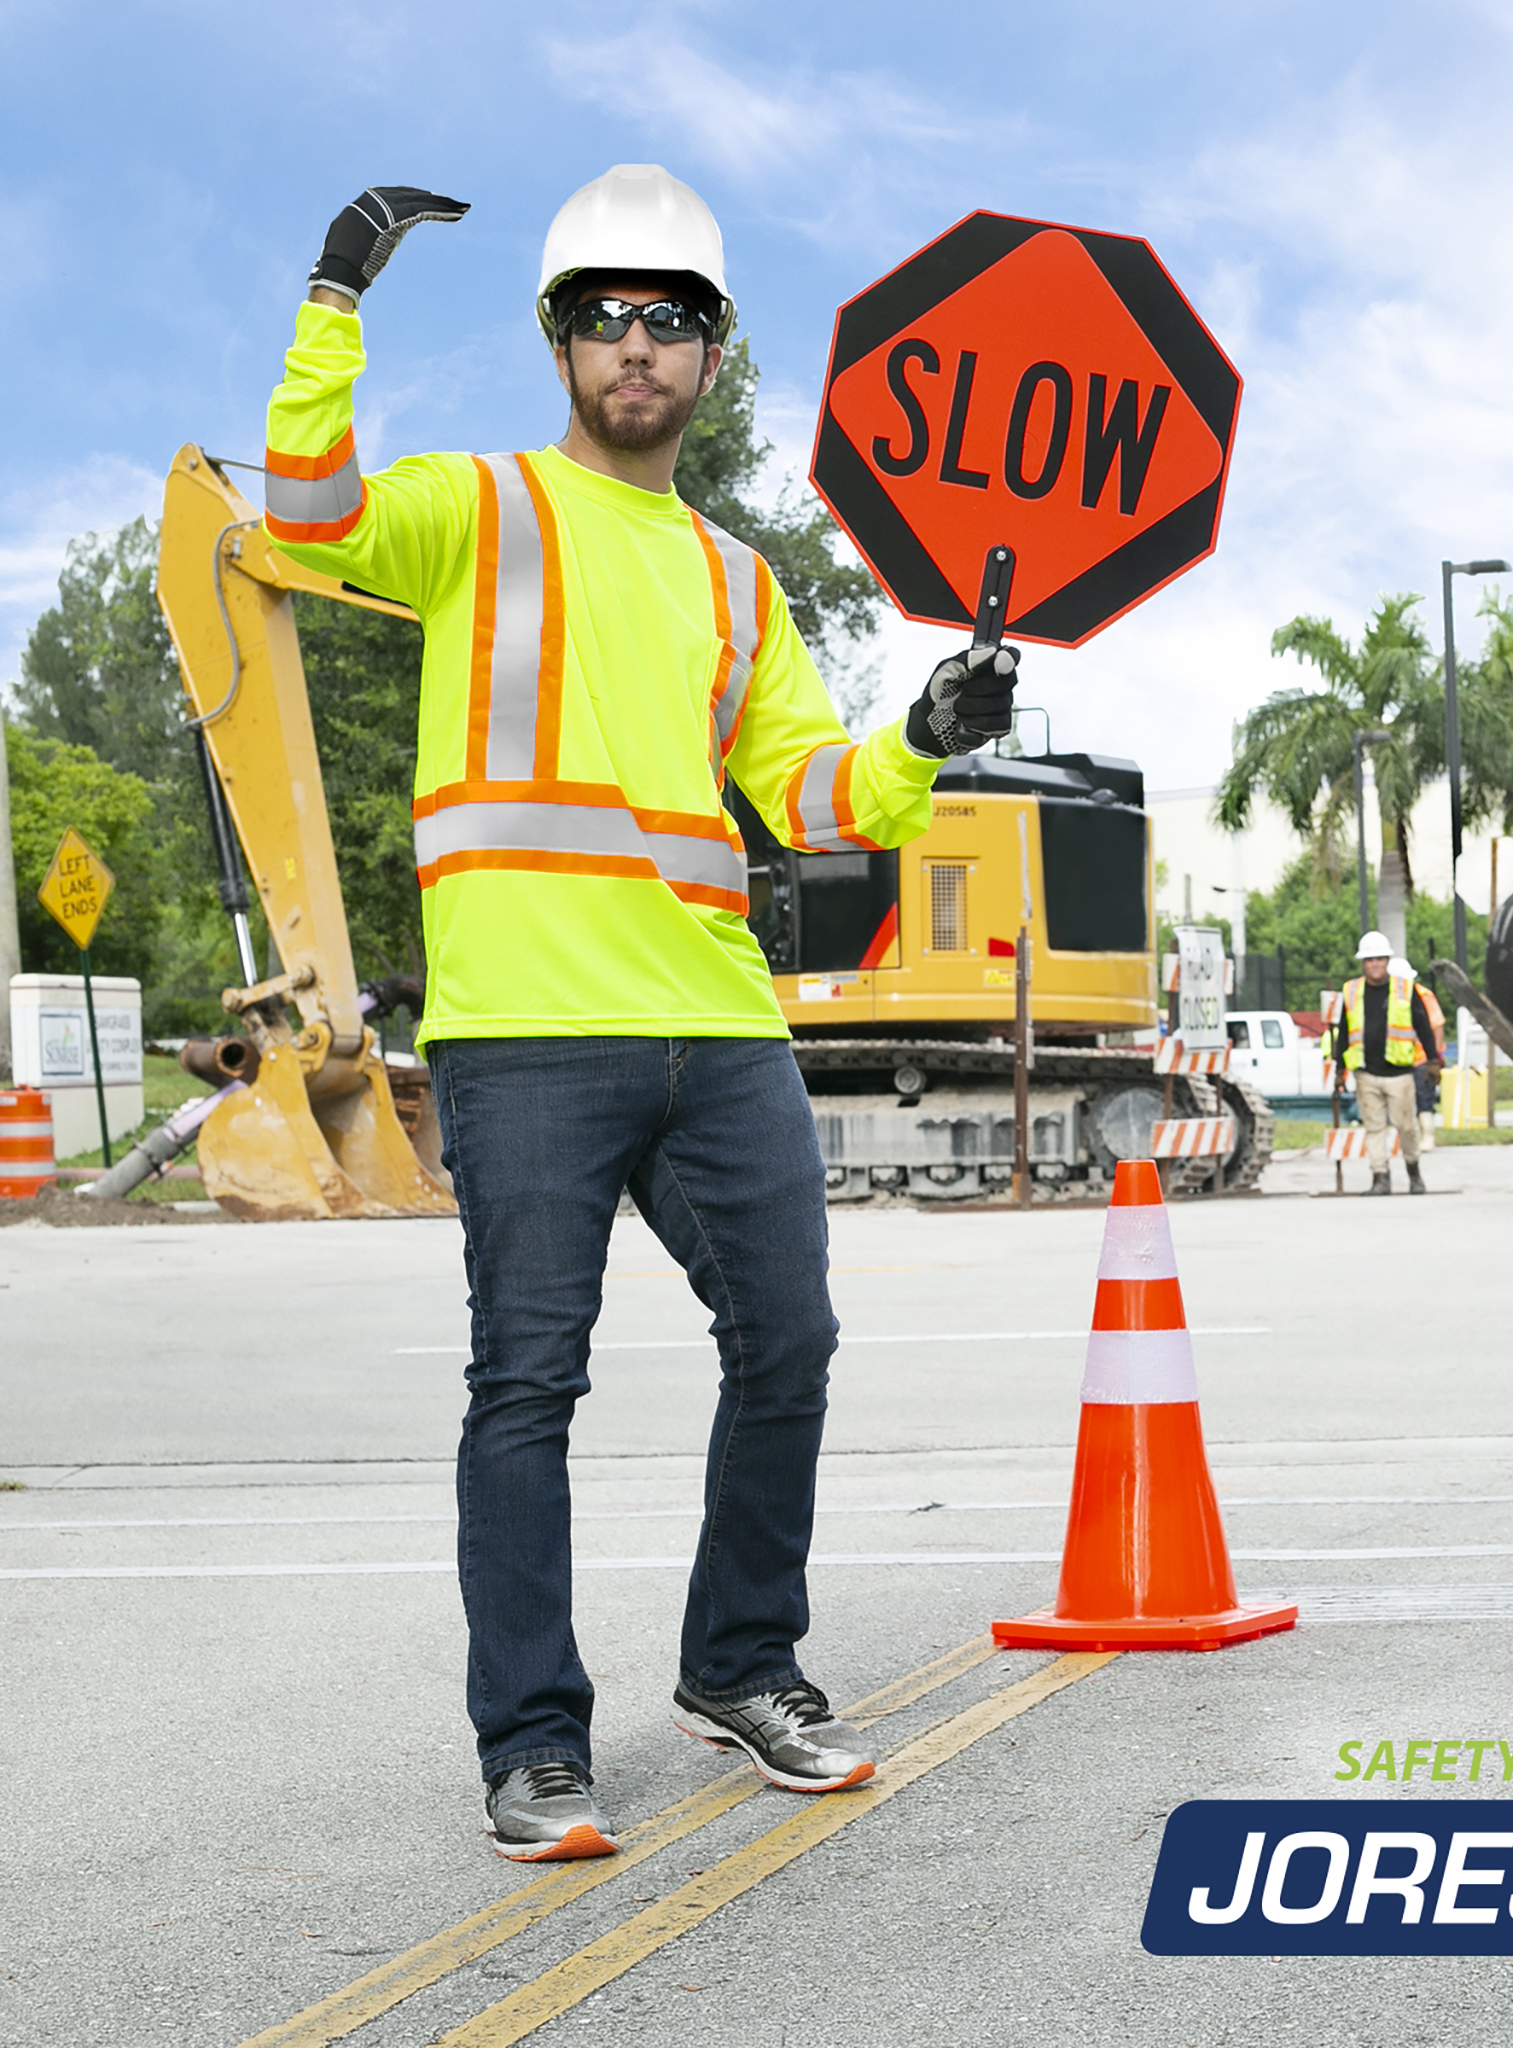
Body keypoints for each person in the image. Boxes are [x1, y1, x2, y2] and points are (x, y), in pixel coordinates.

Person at [262, 171, 1020, 1861]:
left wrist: (926, 732)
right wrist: (335, 300)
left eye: (669, 317)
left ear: (713, 352)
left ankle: (741, 1664)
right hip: (524, 1025)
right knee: (527, 1380)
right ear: (556, 338)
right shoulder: (476, 506)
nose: (635, 344)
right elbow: (305, 520)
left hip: (713, 1022)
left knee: (794, 1340)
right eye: (602, 312)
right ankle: (533, 1743)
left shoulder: (742, 586)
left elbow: (815, 798)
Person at [1326, 931, 1440, 1194]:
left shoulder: (1405, 990)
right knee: (1374, 1128)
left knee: (1407, 1127)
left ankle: (1414, 1173)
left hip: (1399, 1075)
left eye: (1379, 958)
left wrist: (1433, 1060)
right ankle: (1380, 1178)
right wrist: (1340, 1069)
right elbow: (1344, 1031)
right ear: (1363, 963)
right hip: (1366, 1073)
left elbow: (1423, 1025)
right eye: (1369, 960)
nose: (1374, 964)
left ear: (1387, 960)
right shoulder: (1352, 991)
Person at [1391, 956, 1448, 1150]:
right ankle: (1408, 1138)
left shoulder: (1422, 995)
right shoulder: (1388, 997)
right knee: (1403, 1102)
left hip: (1421, 1058)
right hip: (1397, 1059)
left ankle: (1427, 1136)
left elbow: (1437, 1024)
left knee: (1424, 1097)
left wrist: (1435, 1057)